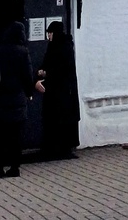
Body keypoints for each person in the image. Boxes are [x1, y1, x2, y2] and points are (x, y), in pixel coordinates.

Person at [0, 20, 34, 179]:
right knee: (16, 136)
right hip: (17, 100)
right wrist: (29, 91)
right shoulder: (23, 51)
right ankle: (15, 167)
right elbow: (28, 75)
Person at [35, 21, 80, 159]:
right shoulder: (53, 47)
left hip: (64, 91)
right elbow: (49, 63)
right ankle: (52, 148)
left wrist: (47, 73)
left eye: (50, 33)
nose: (48, 36)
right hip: (54, 91)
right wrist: (42, 71)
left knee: (62, 119)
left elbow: (63, 69)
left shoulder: (65, 47)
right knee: (53, 119)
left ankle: (64, 148)